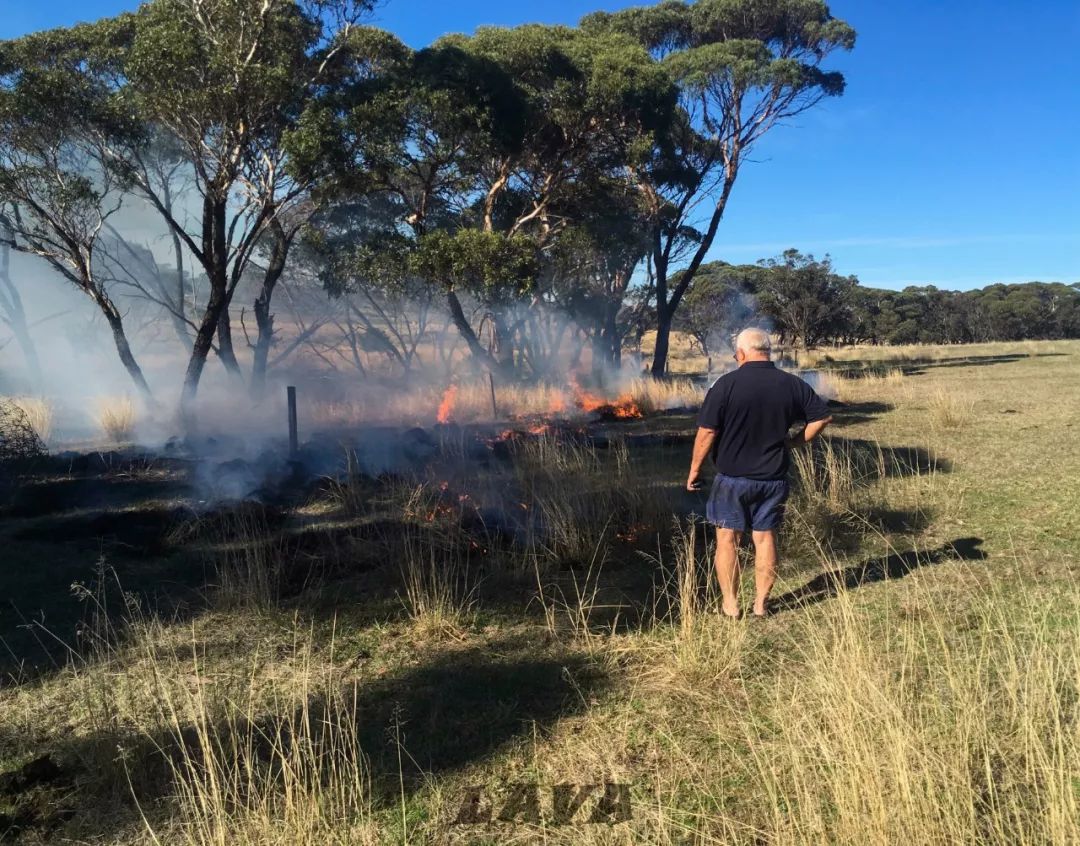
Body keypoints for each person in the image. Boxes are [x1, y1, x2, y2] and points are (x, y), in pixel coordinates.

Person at [686, 327, 832, 619]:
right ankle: (761, 605)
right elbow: (822, 417)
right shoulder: (792, 384)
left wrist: (694, 469)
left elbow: (707, 432)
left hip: (732, 480)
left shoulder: (725, 385)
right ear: (768, 352)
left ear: (741, 353)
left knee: (728, 538)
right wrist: (794, 442)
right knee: (764, 539)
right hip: (773, 479)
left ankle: (730, 604)